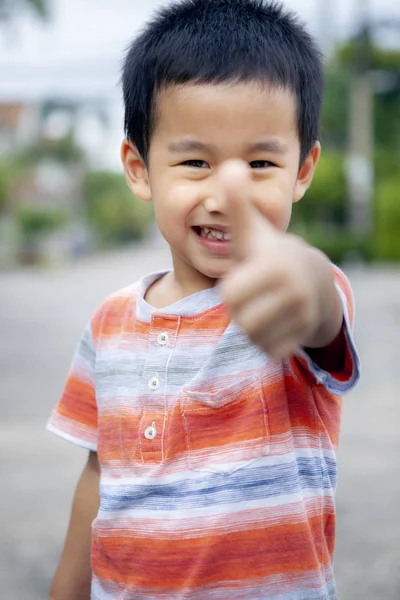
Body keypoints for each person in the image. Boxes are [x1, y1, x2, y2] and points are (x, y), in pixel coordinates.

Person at [47, 1, 360, 599]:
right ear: (140, 170)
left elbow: (320, 308)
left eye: (260, 163)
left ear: (303, 169)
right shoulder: (110, 322)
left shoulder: (293, 294)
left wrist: (303, 273)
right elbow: (96, 475)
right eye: (196, 162)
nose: (225, 191)